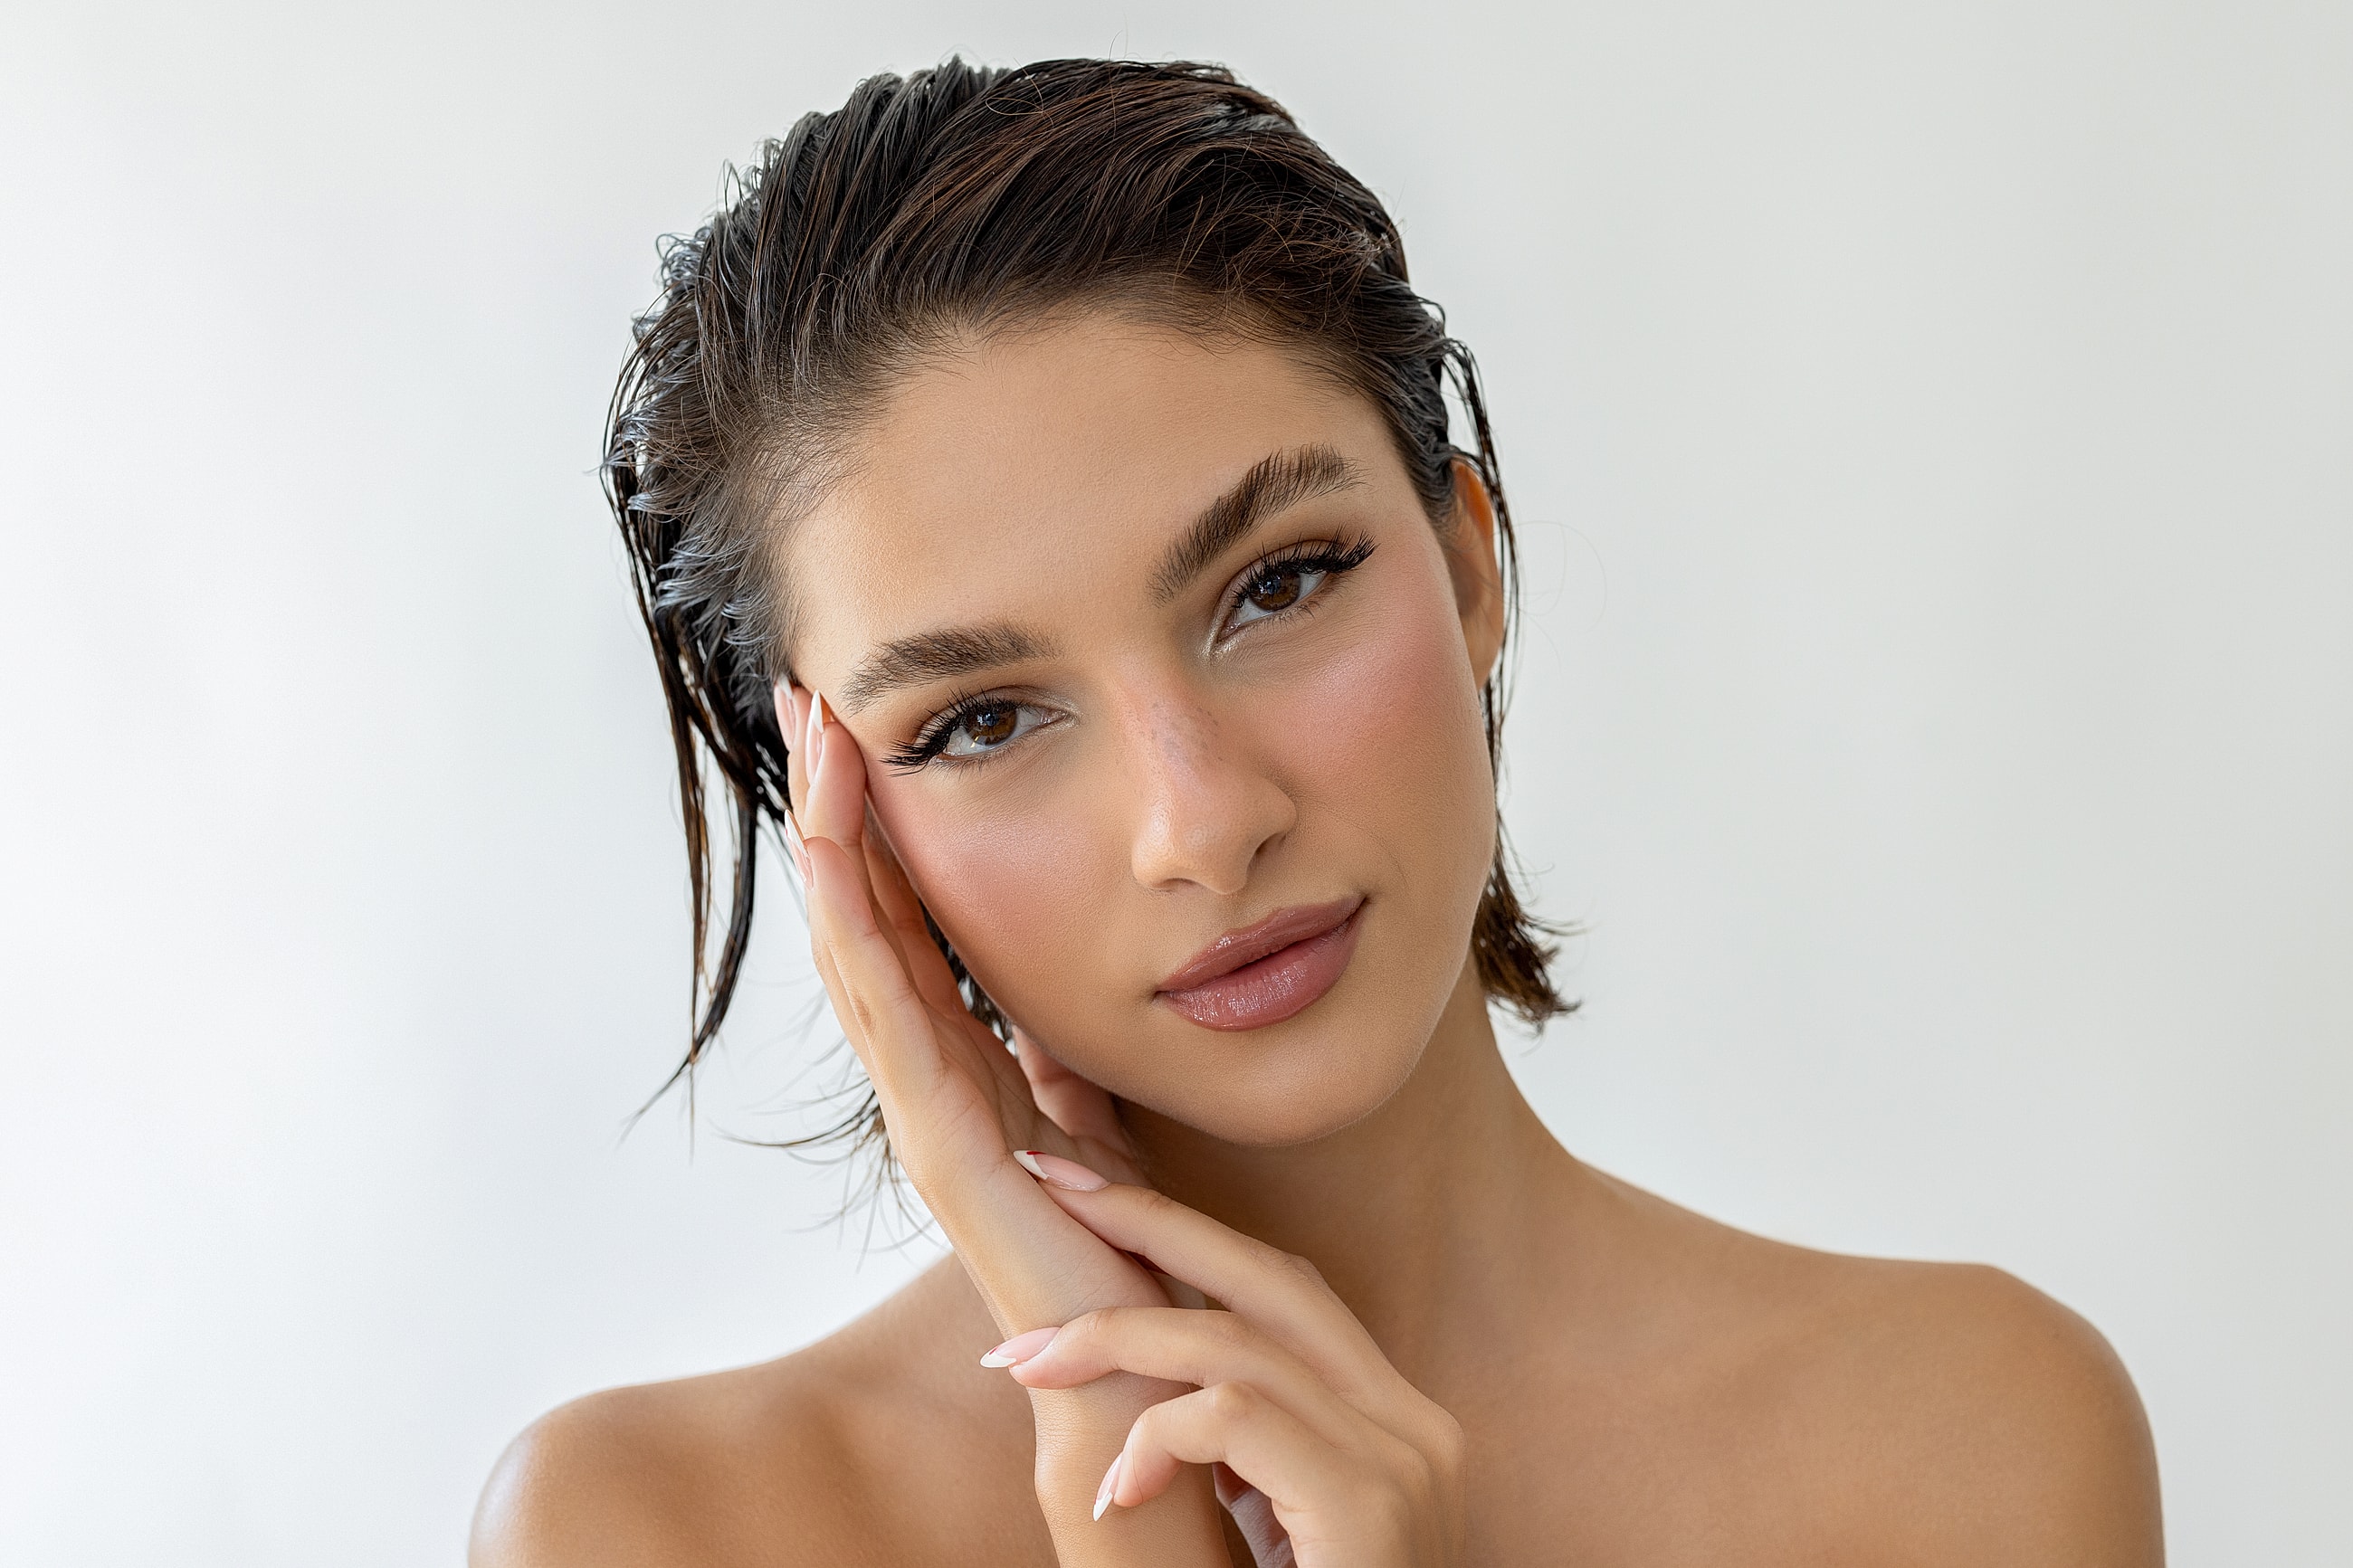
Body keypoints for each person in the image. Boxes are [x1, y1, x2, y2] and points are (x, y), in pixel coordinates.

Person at [471, 58, 2163, 1566]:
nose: (1200, 822)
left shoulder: (1971, 1449)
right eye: (981, 718)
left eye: (1278, 584)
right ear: (849, 836)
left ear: (1472, 558)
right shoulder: (659, 1532)